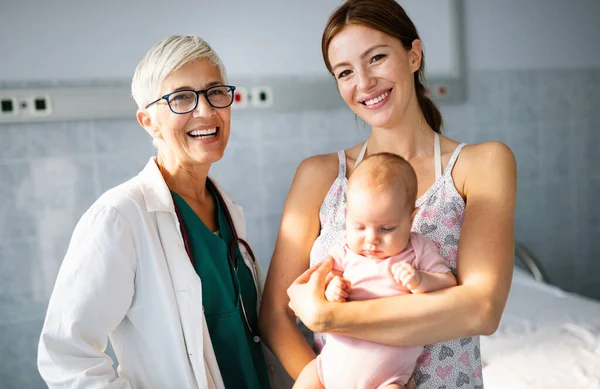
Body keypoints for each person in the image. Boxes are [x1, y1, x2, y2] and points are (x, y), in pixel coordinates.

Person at [259, 0, 517, 387]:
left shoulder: (480, 165)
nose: (363, 83)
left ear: (413, 55)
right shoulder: (320, 175)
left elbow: (481, 309)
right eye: (345, 71)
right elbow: (275, 315)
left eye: (376, 58)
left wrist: (330, 318)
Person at [37, 35, 287, 389]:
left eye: (215, 91)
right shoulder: (120, 216)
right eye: (182, 97)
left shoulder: (227, 208)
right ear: (148, 121)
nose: (206, 110)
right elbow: (65, 356)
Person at [293, 153, 457, 389]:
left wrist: (421, 280)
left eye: (387, 229)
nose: (372, 240)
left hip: (387, 381)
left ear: (411, 218)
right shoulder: (344, 247)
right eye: (359, 226)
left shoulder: (418, 249)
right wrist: (331, 287)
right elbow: (324, 278)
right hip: (327, 370)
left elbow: (448, 282)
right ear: (347, 214)